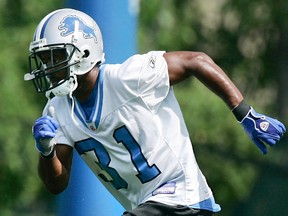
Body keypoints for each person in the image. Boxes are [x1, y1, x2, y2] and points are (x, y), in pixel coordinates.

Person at [24, 8, 286, 216]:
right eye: (44, 59)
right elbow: (57, 184)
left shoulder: (129, 77)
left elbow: (196, 61)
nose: (48, 66)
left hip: (183, 198)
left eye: (54, 56)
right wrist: (46, 151)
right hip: (149, 207)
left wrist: (245, 113)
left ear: (83, 52)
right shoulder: (57, 110)